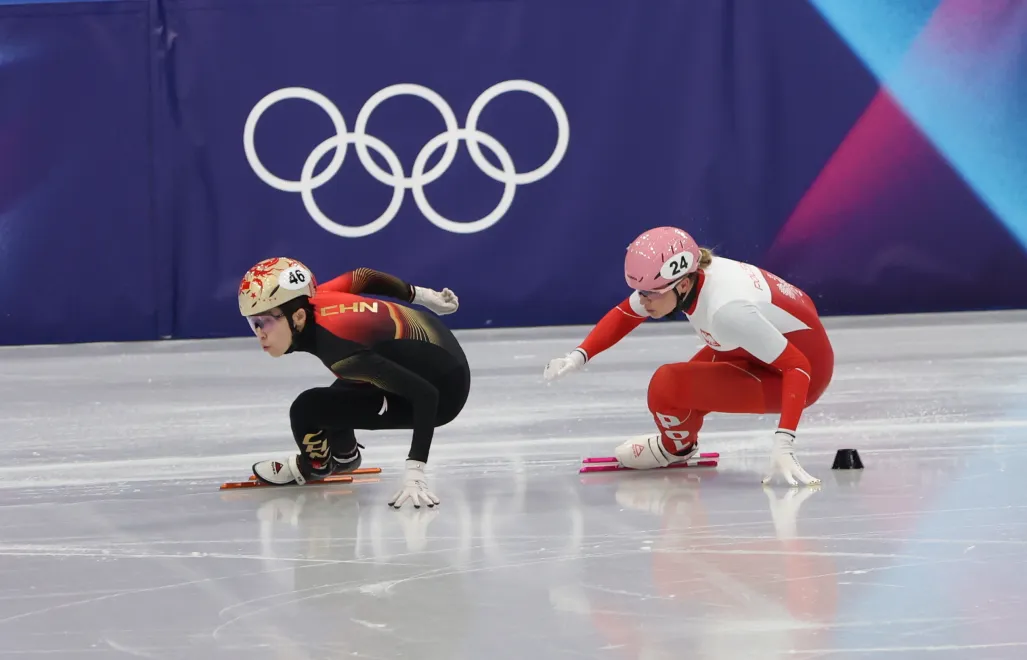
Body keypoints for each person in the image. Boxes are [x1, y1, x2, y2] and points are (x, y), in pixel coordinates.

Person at [543, 227, 834, 486]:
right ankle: (682, 439)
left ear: (682, 284)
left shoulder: (726, 310)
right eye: (639, 291)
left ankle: (675, 448)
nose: (642, 300)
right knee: (680, 393)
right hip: (753, 348)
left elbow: (797, 365)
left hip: (800, 375)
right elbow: (625, 314)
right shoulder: (692, 278)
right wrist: (578, 356)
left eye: (650, 294)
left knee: (668, 386)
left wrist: (784, 443)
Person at [238, 257, 470, 508]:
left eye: (264, 322)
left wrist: (415, 472)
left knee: (307, 408)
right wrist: (423, 297)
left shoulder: (341, 352)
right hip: (434, 353)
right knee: (341, 393)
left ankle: (313, 467)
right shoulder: (318, 296)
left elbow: (426, 395)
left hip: (445, 394)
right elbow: (363, 276)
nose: (259, 334)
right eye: (253, 324)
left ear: (299, 317)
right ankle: (345, 454)